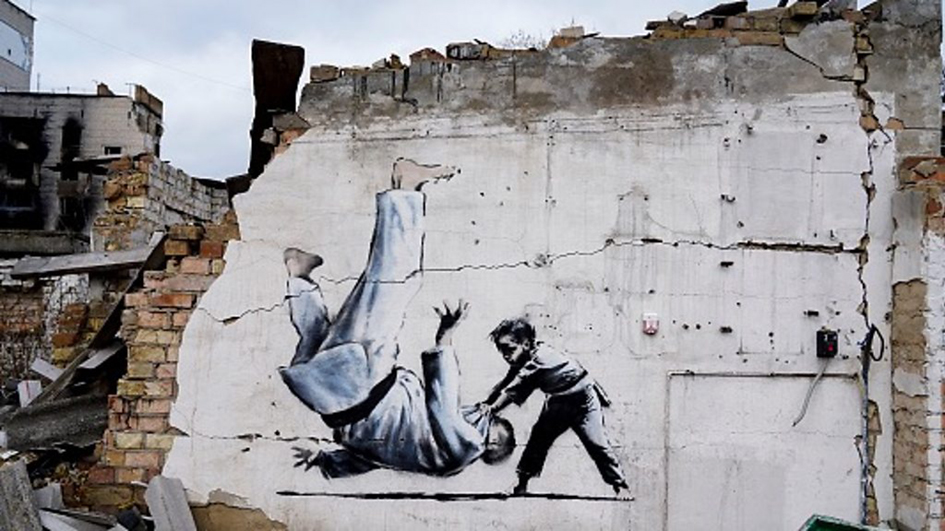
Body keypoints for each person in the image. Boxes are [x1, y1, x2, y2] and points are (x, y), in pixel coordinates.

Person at [280, 159, 514, 478]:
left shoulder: (468, 446)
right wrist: (324, 461)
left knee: (397, 280)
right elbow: (370, 458)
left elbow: (443, 407)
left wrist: (444, 339)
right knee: (320, 338)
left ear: (491, 442)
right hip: (323, 398)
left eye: (490, 420)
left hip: (365, 382)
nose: (482, 411)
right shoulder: (427, 455)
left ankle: (406, 187)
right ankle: (298, 276)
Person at [479, 318, 629, 495]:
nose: (505, 355)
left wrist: (493, 408)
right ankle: (521, 484)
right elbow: (507, 382)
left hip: (583, 402)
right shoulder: (526, 357)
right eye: (502, 350)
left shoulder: (540, 360)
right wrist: (488, 401)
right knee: (538, 441)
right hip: (558, 402)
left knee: (598, 444)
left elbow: (514, 389)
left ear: (526, 344)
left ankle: (620, 485)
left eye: (510, 349)